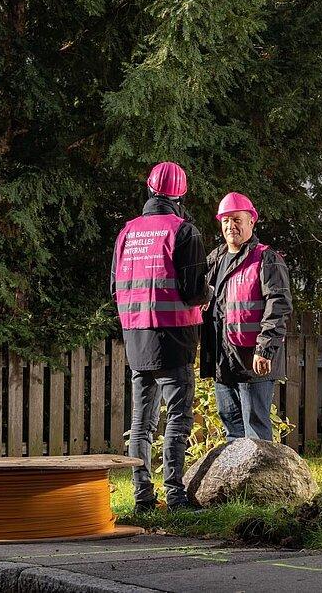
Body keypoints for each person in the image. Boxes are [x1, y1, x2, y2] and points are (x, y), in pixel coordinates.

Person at [112, 162, 209, 512]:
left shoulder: (126, 233)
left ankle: (142, 498)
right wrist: (210, 291)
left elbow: (115, 288)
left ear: (150, 190)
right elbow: (194, 290)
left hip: (136, 340)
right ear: (181, 194)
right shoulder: (185, 232)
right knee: (178, 421)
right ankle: (176, 494)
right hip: (175, 339)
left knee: (141, 425)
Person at [200, 192, 293, 441]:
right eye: (226, 221)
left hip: (253, 359)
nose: (231, 226)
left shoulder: (266, 258)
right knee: (232, 431)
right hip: (222, 360)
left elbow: (279, 305)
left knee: (256, 431)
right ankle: (237, 481)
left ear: (252, 220)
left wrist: (265, 349)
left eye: (237, 219)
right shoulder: (214, 260)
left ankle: (263, 480)